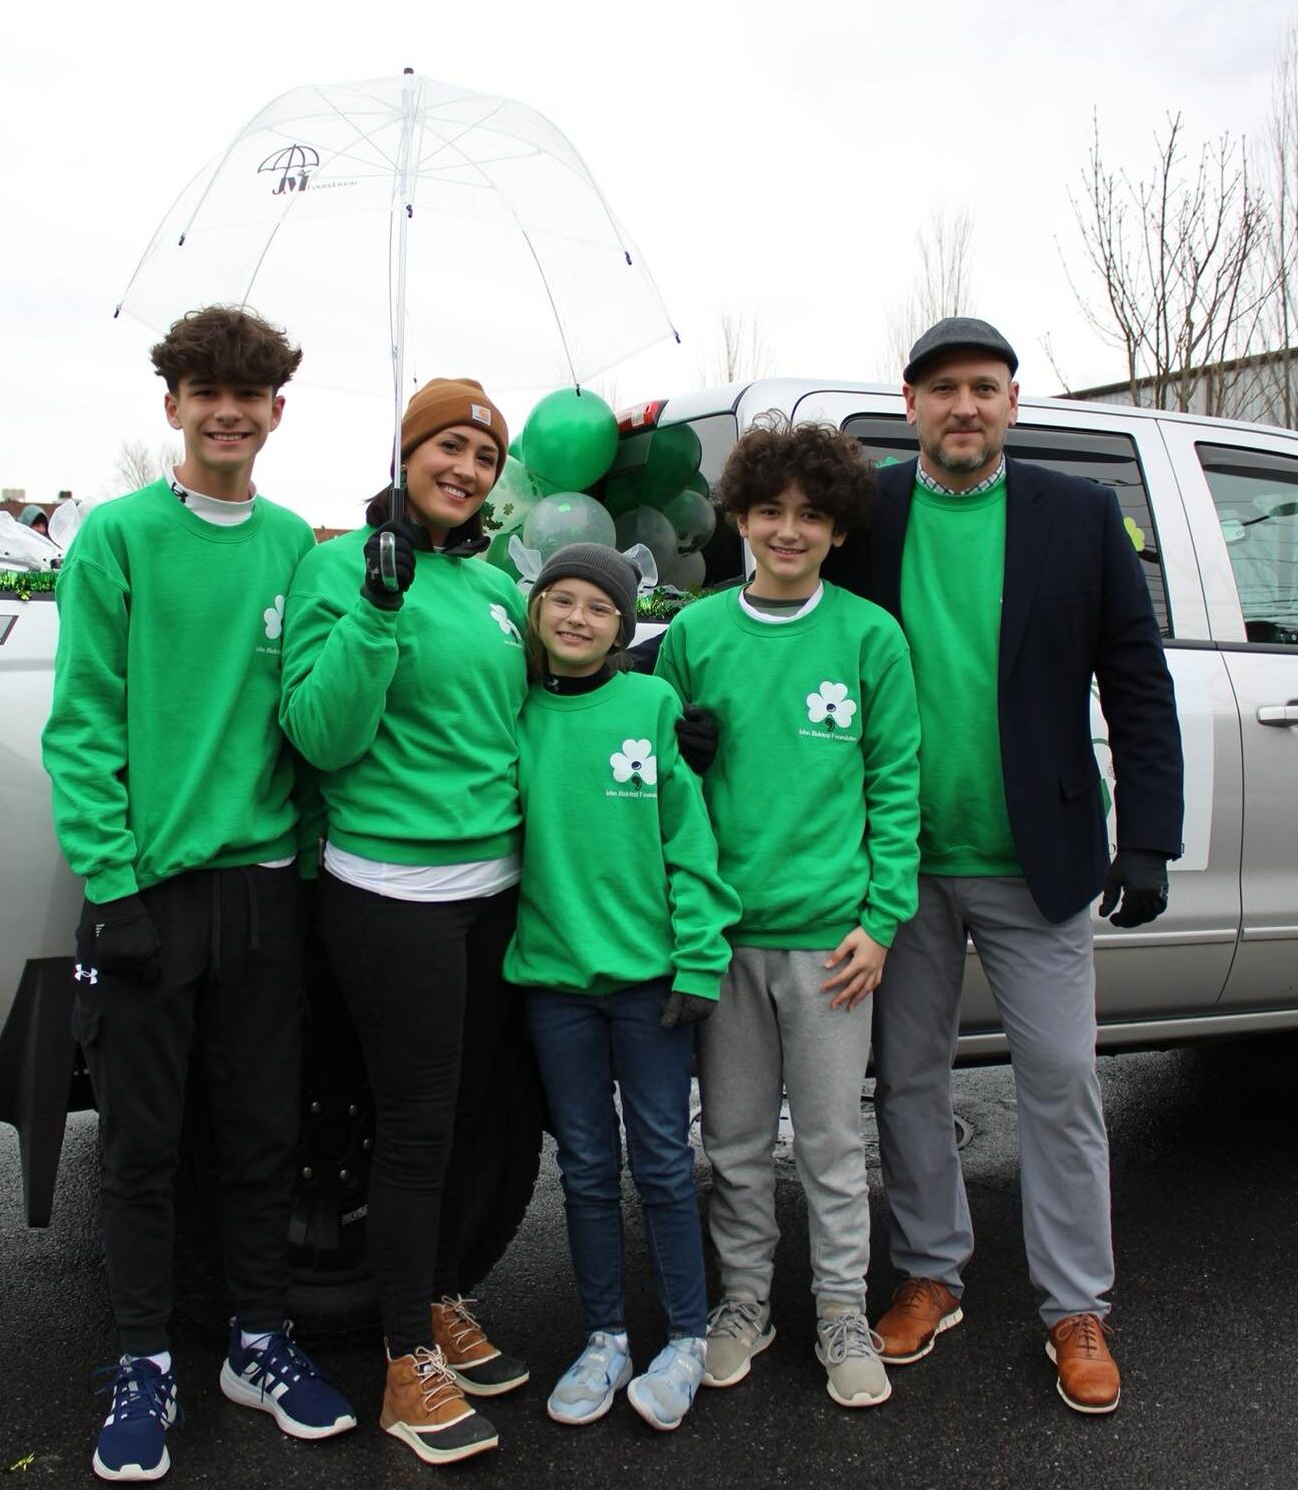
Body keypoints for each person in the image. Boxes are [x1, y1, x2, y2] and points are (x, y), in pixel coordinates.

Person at [833, 317, 1185, 1415]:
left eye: (982, 388)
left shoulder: (1076, 517)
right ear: (909, 403)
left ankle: (1074, 1304)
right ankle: (931, 1272)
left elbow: (1134, 678)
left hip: (1037, 859)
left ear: (1012, 403)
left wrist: (1148, 838)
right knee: (910, 1082)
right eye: (941, 390)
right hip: (899, 865)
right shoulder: (867, 511)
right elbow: (789, 623)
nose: (963, 408)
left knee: (1060, 1081)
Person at [42, 305, 356, 1484]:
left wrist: (313, 862)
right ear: (171, 404)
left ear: (278, 410)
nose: (228, 410)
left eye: (250, 392)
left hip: (265, 889)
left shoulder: (296, 547)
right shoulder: (116, 539)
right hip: (149, 896)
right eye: (204, 390)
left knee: (261, 1136)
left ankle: (256, 1344)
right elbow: (81, 725)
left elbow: (313, 723)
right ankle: (141, 1362)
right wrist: (111, 887)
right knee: (140, 1144)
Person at [280, 378, 530, 1466]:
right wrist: (376, 613)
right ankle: (400, 1365)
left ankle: (437, 1299)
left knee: (476, 1113)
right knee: (417, 1123)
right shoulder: (342, 569)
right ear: (407, 449)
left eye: (482, 453)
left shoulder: (489, 583)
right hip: (390, 893)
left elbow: (523, 713)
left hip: (495, 888)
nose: (465, 468)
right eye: (446, 445)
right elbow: (320, 736)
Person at [656, 418, 921, 1410]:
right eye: (769, 510)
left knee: (829, 1148)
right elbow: (663, 792)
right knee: (726, 1142)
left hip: (830, 946)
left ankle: (842, 1311)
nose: (788, 530)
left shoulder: (867, 636)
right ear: (737, 516)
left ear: (839, 528)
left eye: (810, 515)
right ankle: (741, 1303)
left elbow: (895, 784)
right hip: (724, 940)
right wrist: (683, 753)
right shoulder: (694, 634)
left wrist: (881, 918)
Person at [504, 543, 740, 1433]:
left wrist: (699, 957)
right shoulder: (515, 712)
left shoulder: (651, 705)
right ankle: (605, 1335)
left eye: (596, 607)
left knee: (665, 1164)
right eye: (558, 600)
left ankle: (683, 1337)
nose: (575, 617)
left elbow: (690, 841)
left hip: (651, 984)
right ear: (534, 613)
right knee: (586, 1167)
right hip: (554, 984)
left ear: (623, 626)